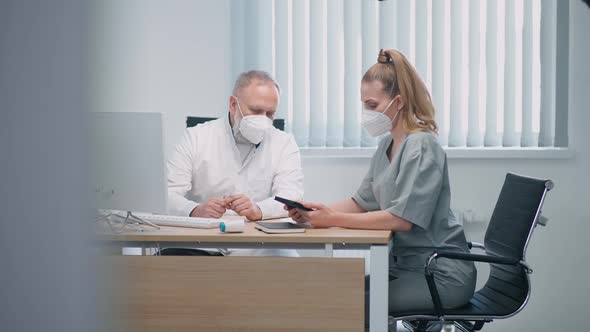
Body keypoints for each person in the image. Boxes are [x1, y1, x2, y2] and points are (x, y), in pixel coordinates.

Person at [285, 49, 476, 329]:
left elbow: (402, 219)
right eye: (364, 105)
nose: (367, 114)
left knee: (351, 304)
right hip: (405, 269)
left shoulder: (422, 146)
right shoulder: (386, 145)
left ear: (397, 102)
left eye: (372, 105)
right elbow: (362, 201)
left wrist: (331, 219)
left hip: (440, 274)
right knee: (334, 295)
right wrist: (313, 212)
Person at [166, 70, 304, 256]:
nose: (263, 119)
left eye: (270, 114)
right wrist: (195, 210)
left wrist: (259, 210)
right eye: (255, 111)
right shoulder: (196, 137)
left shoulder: (284, 143)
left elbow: (291, 197)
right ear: (233, 104)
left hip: (258, 243)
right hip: (202, 241)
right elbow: (167, 194)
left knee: (291, 267)